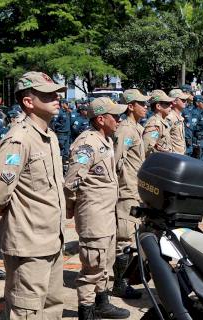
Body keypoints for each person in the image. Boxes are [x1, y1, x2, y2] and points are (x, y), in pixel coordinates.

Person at [0, 71, 66, 319]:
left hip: (52, 240)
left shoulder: (49, 137)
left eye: (56, 93)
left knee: (51, 308)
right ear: (29, 101)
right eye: (48, 95)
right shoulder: (19, 139)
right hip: (29, 246)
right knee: (26, 311)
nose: (56, 98)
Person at [64, 97, 130, 319]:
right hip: (94, 215)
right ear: (101, 119)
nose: (119, 120)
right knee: (92, 266)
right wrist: (72, 209)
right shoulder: (87, 143)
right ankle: (86, 310)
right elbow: (72, 181)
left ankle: (102, 302)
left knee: (105, 262)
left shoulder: (105, 140)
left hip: (106, 214)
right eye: (116, 116)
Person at [112, 89, 149, 299]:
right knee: (124, 239)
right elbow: (117, 161)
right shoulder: (125, 130)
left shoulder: (136, 128)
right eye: (141, 103)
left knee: (132, 236)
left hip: (136, 188)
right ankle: (120, 283)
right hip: (126, 190)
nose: (145, 107)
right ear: (130, 106)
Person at [142, 90, 174, 156]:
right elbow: (147, 149)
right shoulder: (154, 124)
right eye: (167, 103)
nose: (171, 105)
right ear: (158, 106)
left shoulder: (162, 121)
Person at [167, 89, 189, 155]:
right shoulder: (170, 117)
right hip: (173, 156)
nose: (185, 102)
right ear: (174, 101)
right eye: (183, 100)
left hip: (181, 154)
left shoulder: (179, 117)